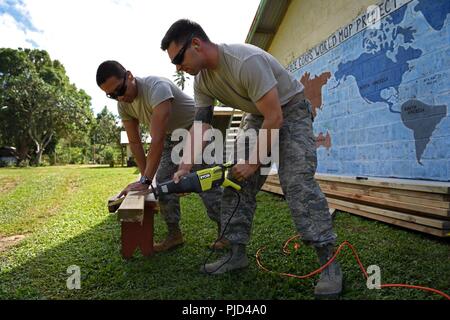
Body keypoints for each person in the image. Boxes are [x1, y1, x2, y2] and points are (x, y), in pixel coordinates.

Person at [160, 19, 342, 298]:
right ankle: (235, 254)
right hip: (258, 116)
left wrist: (254, 162)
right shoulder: (203, 81)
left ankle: (328, 262)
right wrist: (185, 165)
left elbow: (276, 117)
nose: (177, 67)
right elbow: (201, 125)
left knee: (296, 182)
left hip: (290, 109)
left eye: (179, 58)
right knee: (236, 181)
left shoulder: (245, 60)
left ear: (196, 44)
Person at [96, 60, 227, 252]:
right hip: (170, 138)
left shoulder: (157, 88)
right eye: (112, 95)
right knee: (164, 185)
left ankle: (226, 233)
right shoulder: (123, 106)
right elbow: (135, 143)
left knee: (207, 184)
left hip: (196, 130)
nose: (119, 97)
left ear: (130, 76)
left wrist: (147, 179)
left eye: (120, 89)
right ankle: (174, 235)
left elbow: (156, 139)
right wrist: (144, 180)